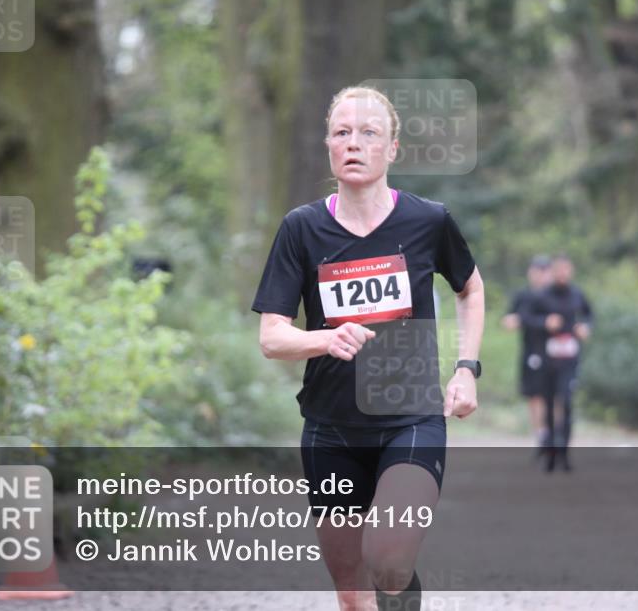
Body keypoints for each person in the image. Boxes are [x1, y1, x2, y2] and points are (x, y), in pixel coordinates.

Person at [252, 86, 485, 611]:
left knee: (388, 558)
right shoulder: (301, 229)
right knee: (353, 591)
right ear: (329, 147)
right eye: (342, 132)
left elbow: (470, 287)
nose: (353, 143)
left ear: (393, 149)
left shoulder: (427, 221)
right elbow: (272, 337)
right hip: (330, 428)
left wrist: (466, 368)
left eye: (368, 133)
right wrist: (325, 337)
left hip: (412, 420)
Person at [518, 254, 592, 472]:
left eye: (565, 270)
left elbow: (589, 315)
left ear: (571, 271)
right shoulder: (541, 297)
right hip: (547, 360)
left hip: (569, 360)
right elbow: (525, 317)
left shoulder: (577, 294)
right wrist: (545, 322)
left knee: (566, 403)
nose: (562, 274)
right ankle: (549, 452)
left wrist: (585, 327)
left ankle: (564, 452)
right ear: (553, 272)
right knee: (549, 405)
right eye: (558, 270)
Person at [501, 255, 553, 446]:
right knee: (533, 394)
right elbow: (508, 320)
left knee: (554, 395)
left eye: (544, 271)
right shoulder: (523, 296)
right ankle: (540, 433)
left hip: (554, 353)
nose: (540, 275)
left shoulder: (556, 295)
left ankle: (554, 432)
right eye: (536, 270)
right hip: (530, 350)